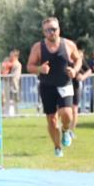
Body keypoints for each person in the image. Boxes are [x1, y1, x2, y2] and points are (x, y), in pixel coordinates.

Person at [27, 17, 81, 157]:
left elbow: (78, 59)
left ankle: (65, 130)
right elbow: (29, 66)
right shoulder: (38, 47)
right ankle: (57, 147)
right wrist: (40, 69)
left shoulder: (68, 44)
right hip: (47, 87)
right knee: (51, 120)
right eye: (48, 30)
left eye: (54, 29)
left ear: (59, 29)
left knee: (67, 114)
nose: (51, 32)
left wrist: (75, 70)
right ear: (44, 32)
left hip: (65, 84)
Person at [0, 49, 22, 117]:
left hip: (14, 84)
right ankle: (6, 113)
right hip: (7, 83)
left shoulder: (17, 64)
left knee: (15, 99)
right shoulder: (8, 63)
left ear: (15, 56)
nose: (10, 57)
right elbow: (3, 71)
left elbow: (15, 76)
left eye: (11, 56)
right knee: (6, 99)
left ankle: (16, 113)